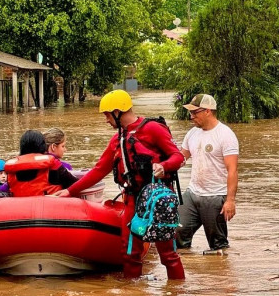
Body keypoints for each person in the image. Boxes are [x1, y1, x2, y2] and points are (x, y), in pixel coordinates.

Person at [62, 90, 186, 280]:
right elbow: (98, 171)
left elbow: (177, 156)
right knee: (130, 254)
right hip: (132, 199)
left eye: (106, 115)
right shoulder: (117, 140)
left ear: (117, 112)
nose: (106, 120)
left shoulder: (153, 129)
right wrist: (69, 191)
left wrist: (163, 166)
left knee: (168, 255)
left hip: (157, 200)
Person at [175, 94, 239, 252]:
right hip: (192, 193)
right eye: (190, 113)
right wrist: (162, 166)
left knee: (218, 245)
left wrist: (230, 201)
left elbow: (232, 170)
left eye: (195, 113)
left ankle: (219, 273)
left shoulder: (225, 135)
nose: (191, 117)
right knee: (177, 232)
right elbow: (181, 159)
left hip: (215, 196)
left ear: (208, 111)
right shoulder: (192, 134)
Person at [3, 130, 79, 197]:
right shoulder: (53, 164)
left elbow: (3, 189)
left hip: (20, 210)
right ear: (42, 146)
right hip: (50, 208)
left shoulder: (12, 170)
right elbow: (76, 184)